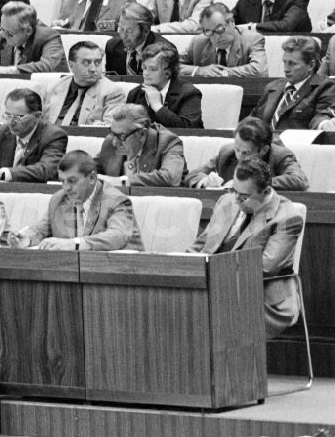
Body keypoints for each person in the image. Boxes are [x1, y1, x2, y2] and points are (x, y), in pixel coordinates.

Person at [188, 159, 304, 337]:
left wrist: (214, 275)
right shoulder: (227, 201)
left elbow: (264, 268)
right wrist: (183, 262)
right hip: (217, 288)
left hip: (261, 298)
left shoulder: (287, 217)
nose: (235, 199)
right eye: (233, 190)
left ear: (265, 192)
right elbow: (202, 244)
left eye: (243, 197)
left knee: (198, 319)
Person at [8, 150, 145, 251]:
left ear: (92, 178)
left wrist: (75, 243)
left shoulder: (116, 201)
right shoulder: (59, 199)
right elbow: (41, 230)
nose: (66, 188)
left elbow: (117, 236)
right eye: (62, 181)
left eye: (72, 181)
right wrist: (26, 239)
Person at [186, 116, 308, 190]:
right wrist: (206, 181)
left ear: (264, 150)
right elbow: (193, 175)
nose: (239, 156)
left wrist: (253, 183)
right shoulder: (227, 152)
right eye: (237, 150)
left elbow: (299, 180)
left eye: (246, 153)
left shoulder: (279, 155)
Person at [0, 88, 68, 182]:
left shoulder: (54, 136)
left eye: (18, 117)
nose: (11, 122)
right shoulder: (2, 132)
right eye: (8, 116)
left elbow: (47, 170)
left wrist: (3, 173)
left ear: (37, 116)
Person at [250, 36, 335, 131]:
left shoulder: (325, 87)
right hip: (262, 142)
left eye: (292, 64)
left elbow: (321, 117)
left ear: (311, 65)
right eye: (284, 62)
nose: (286, 69)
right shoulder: (273, 87)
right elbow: (253, 120)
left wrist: (324, 125)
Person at [95, 103, 187, 187]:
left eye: (121, 136)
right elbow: (87, 169)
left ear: (142, 134)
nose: (115, 142)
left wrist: (123, 181)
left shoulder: (168, 142)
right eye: (112, 133)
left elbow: (170, 178)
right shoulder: (111, 142)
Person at [0, 2, 67, 74]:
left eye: (10, 33)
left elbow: (47, 66)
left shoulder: (48, 37)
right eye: (2, 28)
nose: (4, 35)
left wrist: (9, 70)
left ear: (28, 31)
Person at [43, 41, 126, 126]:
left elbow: (111, 128)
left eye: (97, 63)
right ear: (71, 65)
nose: (93, 69)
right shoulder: (53, 87)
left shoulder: (113, 92)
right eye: (86, 63)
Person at [126, 43, 204, 129]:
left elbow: (187, 128)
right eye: (144, 67)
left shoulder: (189, 93)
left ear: (169, 71)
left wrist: (158, 107)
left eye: (153, 69)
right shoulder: (135, 94)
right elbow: (127, 126)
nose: (146, 73)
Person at [179, 3, 268, 77]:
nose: (216, 37)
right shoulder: (198, 42)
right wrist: (199, 70)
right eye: (210, 32)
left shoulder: (252, 39)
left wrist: (222, 73)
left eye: (220, 29)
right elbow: (170, 66)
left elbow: (259, 70)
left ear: (232, 22)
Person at [104, 3, 167, 76]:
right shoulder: (112, 46)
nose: (124, 35)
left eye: (129, 31)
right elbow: (110, 81)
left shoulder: (162, 51)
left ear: (145, 31)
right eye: (121, 29)